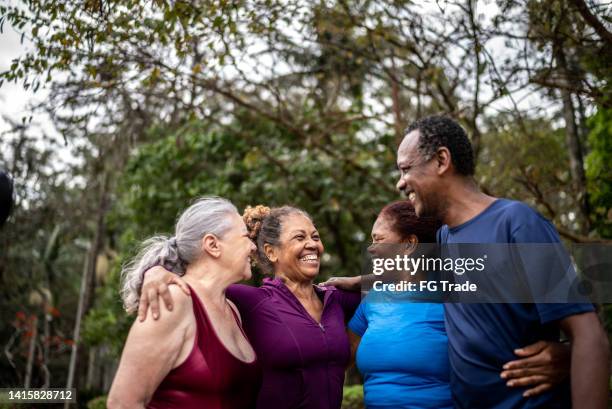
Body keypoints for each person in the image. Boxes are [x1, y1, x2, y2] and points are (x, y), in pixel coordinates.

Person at [395, 115, 609, 408]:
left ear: (441, 161)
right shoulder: (445, 237)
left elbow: (589, 334)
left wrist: (570, 353)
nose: (400, 183)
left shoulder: (517, 223)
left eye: (406, 169)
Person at [329, 201, 574, 409]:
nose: (370, 248)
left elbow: (520, 337)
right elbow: (335, 361)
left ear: (409, 245)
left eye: (378, 239)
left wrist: (567, 354)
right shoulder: (374, 299)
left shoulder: (458, 295)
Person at [140, 205, 361, 409]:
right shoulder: (252, 301)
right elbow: (198, 279)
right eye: (299, 237)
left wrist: (359, 280)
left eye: (315, 237)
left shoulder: (337, 299)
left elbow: (395, 286)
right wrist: (156, 271)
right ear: (271, 252)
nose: (312, 244)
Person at [107, 197, 260, 409]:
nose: (253, 246)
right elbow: (122, 403)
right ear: (213, 245)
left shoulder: (233, 309)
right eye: (245, 237)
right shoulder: (173, 302)